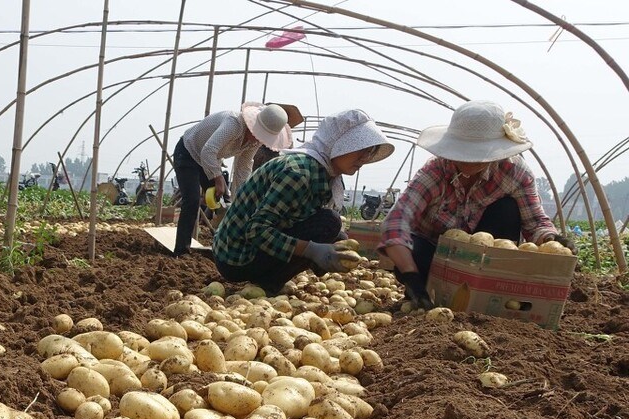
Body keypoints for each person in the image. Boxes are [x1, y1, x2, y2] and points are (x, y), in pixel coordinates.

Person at [379, 100, 573, 309]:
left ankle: (497, 293)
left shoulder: (515, 174)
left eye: (478, 154)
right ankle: (424, 293)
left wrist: (552, 239)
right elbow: (396, 222)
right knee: (414, 252)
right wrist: (411, 277)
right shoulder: (435, 171)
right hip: (436, 258)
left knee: (507, 209)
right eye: (463, 152)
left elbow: (534, 222)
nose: (469, 161)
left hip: (487, 258)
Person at [211, 109, 394, 294]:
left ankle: (267, 278)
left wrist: (334, 243)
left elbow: (300, 218)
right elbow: (257, 231)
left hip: (244, 250)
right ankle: (267, 283)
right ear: (338, 144)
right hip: (235, 257)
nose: (364, 159)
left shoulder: (323, 174)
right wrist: (313, 251)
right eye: (361, 150)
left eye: (369, 152)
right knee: (329, 222)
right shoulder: (298, 173)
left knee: (332, 230)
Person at [171, 102, 296, 257]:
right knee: (192, 199)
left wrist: (241, 199)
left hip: (209, 160)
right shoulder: (233, 124)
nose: (260, 139)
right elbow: (208, 151)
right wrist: (218, 178)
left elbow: (243, 168)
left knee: (225, 202)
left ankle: (224, 248)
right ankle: (181, 250)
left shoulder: (254, 141)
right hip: (189, 152)